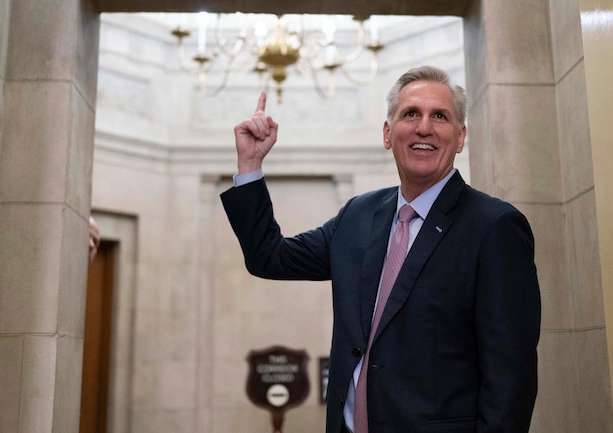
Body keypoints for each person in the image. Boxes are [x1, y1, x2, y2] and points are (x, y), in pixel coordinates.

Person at [220, 66, 541, 433]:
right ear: (388, 134)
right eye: (410, 114)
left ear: (460, 136)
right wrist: (250, 165)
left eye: (440, 116)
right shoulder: (358, 215)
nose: (424, 127)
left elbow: (510, 380)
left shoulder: (495, 227)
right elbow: (269, 257)